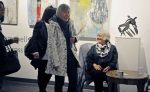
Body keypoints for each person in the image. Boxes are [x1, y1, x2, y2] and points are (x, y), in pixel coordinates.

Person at [45, 4, 79, 92]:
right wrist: (55, 61)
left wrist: (75, 39)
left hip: (71, 57)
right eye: (65, 12)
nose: (67, 14)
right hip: (60, 58)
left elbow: (76, 34)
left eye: (68, 12)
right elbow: (51, 45)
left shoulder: (70, 22)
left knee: (74, 81)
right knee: (59, 83)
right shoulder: (52, 24)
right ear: (60, 12)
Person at [26, 6, 59, 92]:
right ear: (50, 14)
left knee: (49, 74)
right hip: (42, 54)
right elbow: (35, 38)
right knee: (42, 74)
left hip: (52, 55)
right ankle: (42, 89)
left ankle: (42, 89)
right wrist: (35, 51)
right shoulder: (41, 24)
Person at [0, 1, 19, 90]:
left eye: (3, 8)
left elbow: (1, 43)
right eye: (0, 8)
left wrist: (11, 41)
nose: (3, 10)